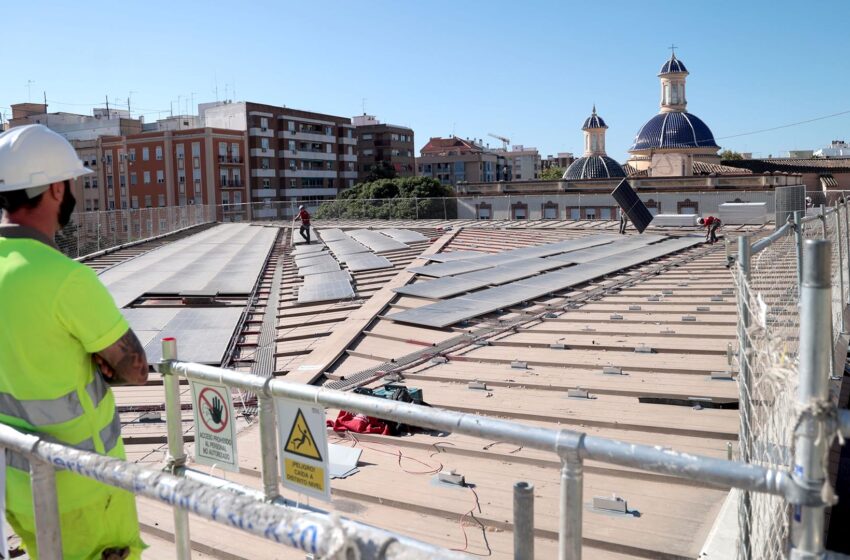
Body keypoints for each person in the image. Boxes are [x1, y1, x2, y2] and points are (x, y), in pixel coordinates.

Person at [0, 125, 148, 559]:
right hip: (85, 488)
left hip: (19, 485)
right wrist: (104, 361)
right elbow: (136, 369)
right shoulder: (66, 279)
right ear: (57, 188)